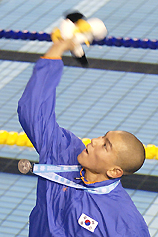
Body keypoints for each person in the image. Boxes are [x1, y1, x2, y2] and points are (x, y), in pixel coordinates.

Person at [18, 39, 150, 237]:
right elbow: (34, 113)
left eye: (106, 146)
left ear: (115, 171)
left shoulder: (124, 222)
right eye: (103, 137)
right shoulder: (65, 152)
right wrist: (57, 49)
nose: (94, 141)